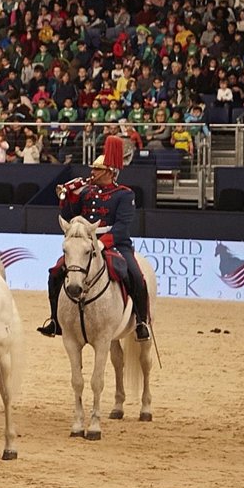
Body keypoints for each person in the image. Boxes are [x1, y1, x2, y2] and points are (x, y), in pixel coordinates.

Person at [39, 136, 150, 341]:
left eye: (96, 170)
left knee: (135, 275)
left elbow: (122, 226)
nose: (92, 173)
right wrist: (70, 196)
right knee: (55, 273)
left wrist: (101, 242)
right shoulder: (87, 191)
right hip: (84, 243)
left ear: (109, 172)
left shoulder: (125, 194)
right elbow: (69, 216)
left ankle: (142, 321)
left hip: (114, 243)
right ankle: (55, 319)